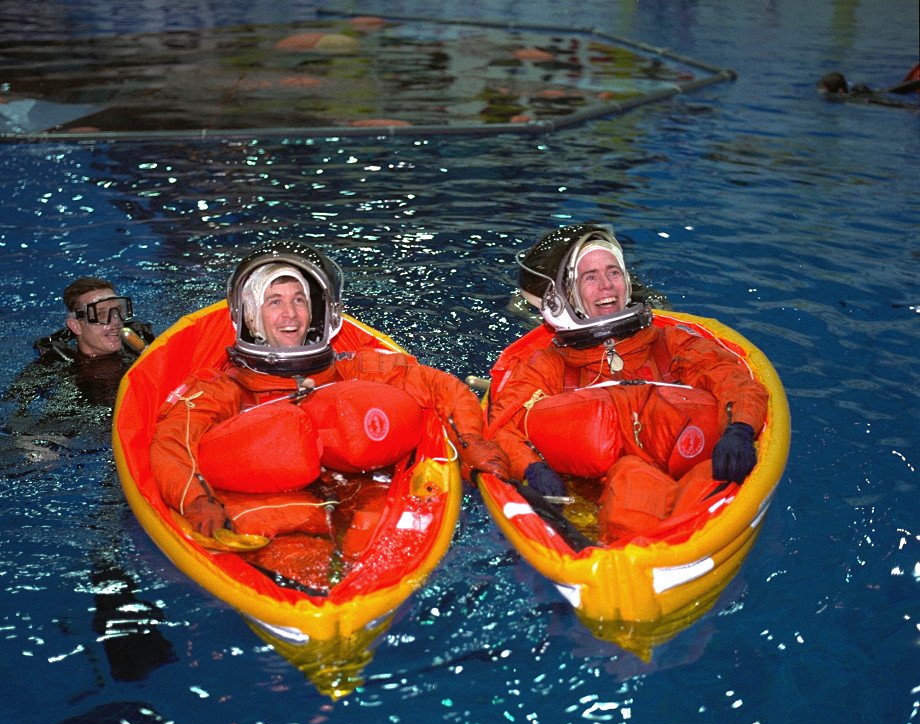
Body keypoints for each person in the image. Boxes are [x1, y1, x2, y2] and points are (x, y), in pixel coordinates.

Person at [150, 241, 510, 537]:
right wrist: (195, 500)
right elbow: (172, 443)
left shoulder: (348, 371)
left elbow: (440, 385)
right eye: (274, 302)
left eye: (299, 299)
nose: (290, 314)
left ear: (316, 312)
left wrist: (470, 440)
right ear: (251, 317)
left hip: (358, 496)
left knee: (373, 531)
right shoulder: (226, 388)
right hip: (278, 513)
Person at [484, 223, 769, 544]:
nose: (606, 285)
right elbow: (503, 428)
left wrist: (739, 429)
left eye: (613, 272)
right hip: (584, 509)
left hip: (684, 485)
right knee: (634, 478)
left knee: (716, 475)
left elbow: (732, 379)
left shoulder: (669, 344)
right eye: (590, 277)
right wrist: (532, 469)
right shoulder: (549, 365)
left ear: (627, 282)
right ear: (568, 297)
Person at [4, 276, 154, 429]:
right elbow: (12, 414)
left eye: (118, 312)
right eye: (100, 314)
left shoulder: (140, 350)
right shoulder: (56, 367)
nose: (116, 322)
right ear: (76, 326)